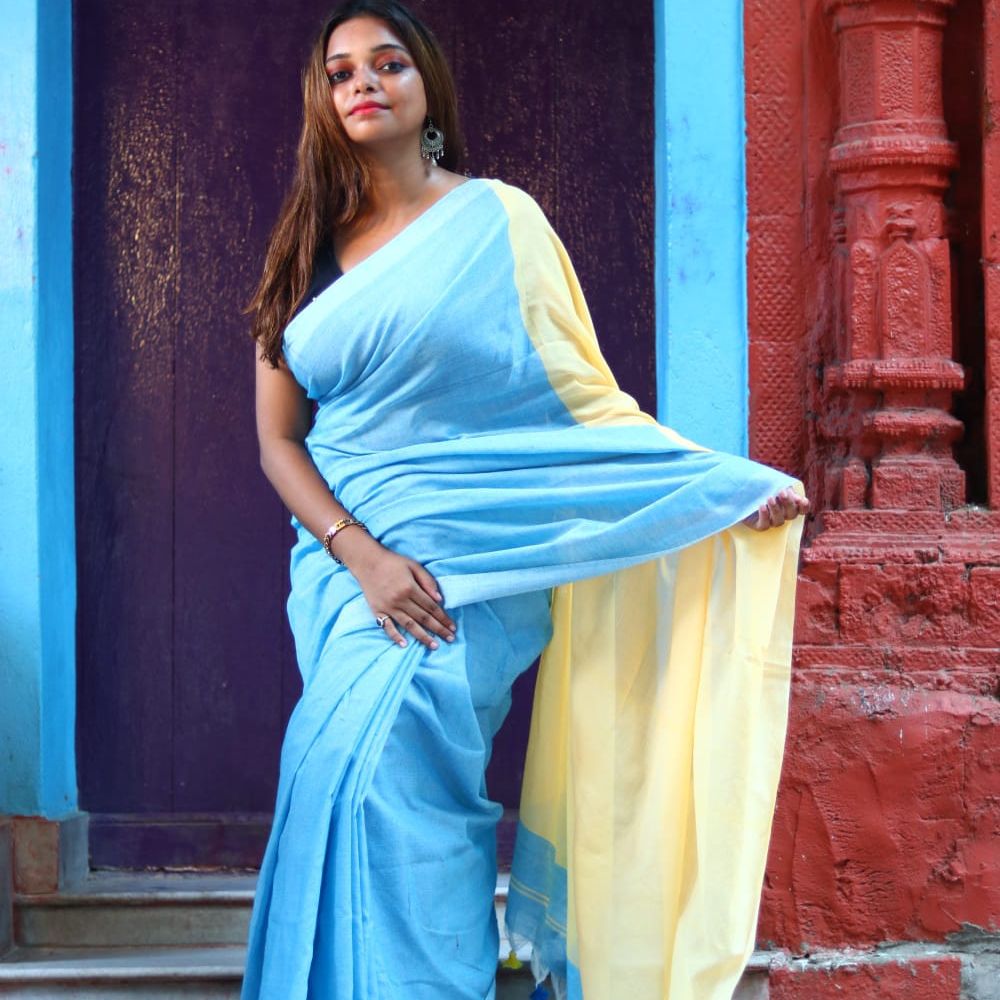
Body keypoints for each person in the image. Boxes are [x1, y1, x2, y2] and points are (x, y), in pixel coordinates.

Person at [241, 3, 809, 999]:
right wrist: (360, 555)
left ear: (427, 88)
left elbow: (580, 402)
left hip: (482, 556)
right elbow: (278, 438)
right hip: (349, 569)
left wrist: (710, 489)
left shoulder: (497, 222)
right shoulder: (303, 250)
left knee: (399, 776)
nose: (363, 81)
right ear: (322, 104)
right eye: (340, 72)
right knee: (332, 768)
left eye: (387, 63)